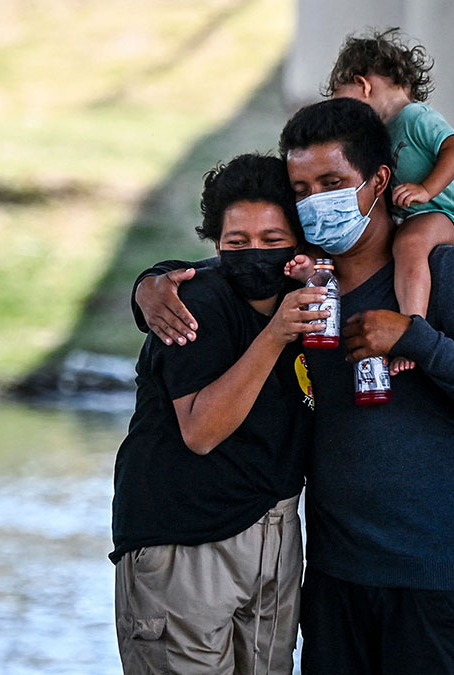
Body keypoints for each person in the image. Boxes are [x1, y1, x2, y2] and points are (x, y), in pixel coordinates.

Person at [136, 98, 454, 673]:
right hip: (333, 585)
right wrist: (147, 288)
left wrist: (414, 338)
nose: (315, 201)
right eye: (301, 189)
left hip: (439, 581)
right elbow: (221, 264)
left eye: (332, 181)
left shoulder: (441, 272)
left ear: (378, 181)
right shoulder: (291, 284)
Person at [111, 153, 328, 675]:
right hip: (185, 541)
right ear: (215, 243)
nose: (255, 254)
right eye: (237, 242)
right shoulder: (194, 306)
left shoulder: (317, 299)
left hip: (274, 532)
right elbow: (202, 431)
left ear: (299, 242)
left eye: (273, 241)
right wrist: (276, 334)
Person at [326, 28, 454, 375]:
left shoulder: (416, 116)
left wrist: (426, 189)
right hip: (413, 217)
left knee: (410, 243)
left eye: (342, 100)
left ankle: (413, 332)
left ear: (362, 84)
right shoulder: (385, 132)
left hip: (442, 214)